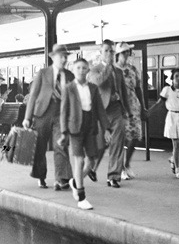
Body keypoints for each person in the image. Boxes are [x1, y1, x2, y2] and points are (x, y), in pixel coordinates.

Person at [59, 58, 109, 210]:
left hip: (90, 126)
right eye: (78, 68)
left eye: (84, 68)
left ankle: (75, 181)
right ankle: (81, 196)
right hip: (75, 128)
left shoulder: (93, 88)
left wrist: (106, 128)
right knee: (79, 161)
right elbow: (63, 112)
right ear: (73, 70)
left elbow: (100, 109)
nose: (81, 70)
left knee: (91, 161)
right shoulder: (68, 88)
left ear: (88, 71)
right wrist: (63, 132)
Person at [23, 43, 74, 190]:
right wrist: (27, 117)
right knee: (40, 147)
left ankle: (61, 178)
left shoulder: (69, 75)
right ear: (53, 57)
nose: (64, 59)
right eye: (61, 56)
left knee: (61, 144)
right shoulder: (43, 73)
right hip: (42, 114)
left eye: (65, 56)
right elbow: (33, 96)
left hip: (60, 115)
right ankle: (40, 176)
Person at [87, 40, 130, 188]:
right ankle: (91, 167)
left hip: (116, 109)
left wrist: (127, 111)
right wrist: (108, 67)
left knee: (117, 143)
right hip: (100, 112)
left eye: (112, 51)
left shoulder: (118, 72)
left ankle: (113, 176)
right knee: (100, 144)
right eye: (106, 51)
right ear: (101, 53)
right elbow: (98, 82)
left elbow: (123, 91)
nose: (109, 54)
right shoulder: (95, 69)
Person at [149, 68, 179, 179]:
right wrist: (149, 112)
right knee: (176, 144)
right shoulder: (167, 90)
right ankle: (178, 170)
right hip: (172, 117)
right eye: (177, 76)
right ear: (172, 78)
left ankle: (173, 159)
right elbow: (159, 104)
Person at [114, 42, 147, 181]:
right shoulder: (112, 69)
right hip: (117, 106)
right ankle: (120, 168)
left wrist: (143, 106)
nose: (126, 54)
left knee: (135, 136)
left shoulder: (133, 69)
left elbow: (138, 88)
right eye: (124, 52)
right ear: (118, 54)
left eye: (128, 52)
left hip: (133, 105)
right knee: (120, 138)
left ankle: (127, 164)